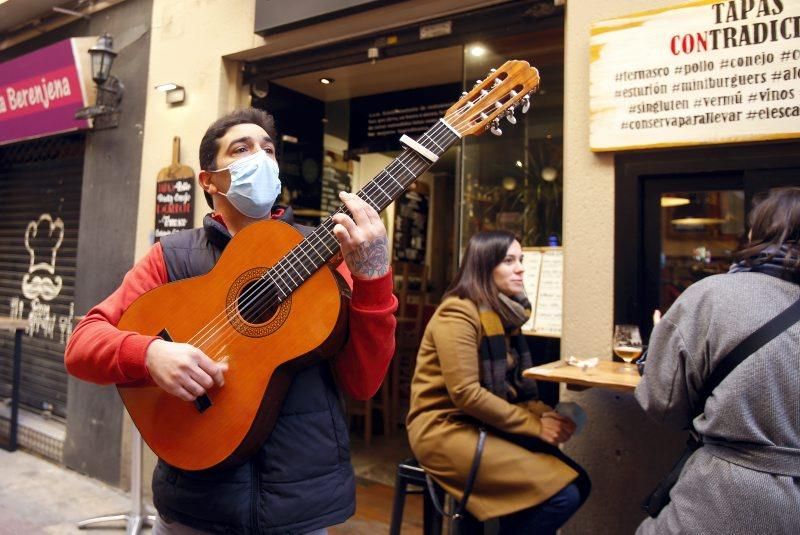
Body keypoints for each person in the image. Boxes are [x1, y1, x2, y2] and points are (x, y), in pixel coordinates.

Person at [64, 107, 398, 534]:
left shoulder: (326, 256)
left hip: (299, 512)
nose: (261, 158)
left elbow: (363, 382)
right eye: (242, 149)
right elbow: (83, 344)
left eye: (269, 150)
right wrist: (150, 353)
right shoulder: (172, 256)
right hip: (194, 507)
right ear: (209, 180)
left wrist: (373, 276)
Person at [635, 187, 800, 534]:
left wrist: (659, 350)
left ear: (756, 233)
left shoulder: (713, 296)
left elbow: (663, 405)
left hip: (723, 497)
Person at [406, 230, 590, 535]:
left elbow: (512, 387)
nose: (520, 268)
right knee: (562, 495)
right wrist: (535, 426)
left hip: (482, 423)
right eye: (509, 261)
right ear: (484, 266)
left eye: (521, 260)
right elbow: (466, 393)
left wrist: (544, 414)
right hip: (444, 429)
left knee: (579, 482)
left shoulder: (503, 314)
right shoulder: (458, 312)